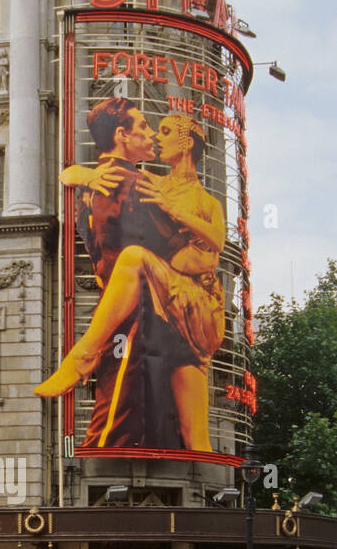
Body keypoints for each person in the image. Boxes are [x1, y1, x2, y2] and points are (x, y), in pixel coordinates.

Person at [37, 110, 225, 451]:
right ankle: (85, 355)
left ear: (186, 144)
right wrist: (86, 175)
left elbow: (216, 248)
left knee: (133, 257)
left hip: (199, 306)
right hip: (166, 292)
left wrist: (177, 214)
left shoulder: (206, 201)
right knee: (195, 439)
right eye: (152, 128)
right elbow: (67, 175)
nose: (156, 135)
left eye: (165, 131)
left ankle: (84, 354)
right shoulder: (149, 181)